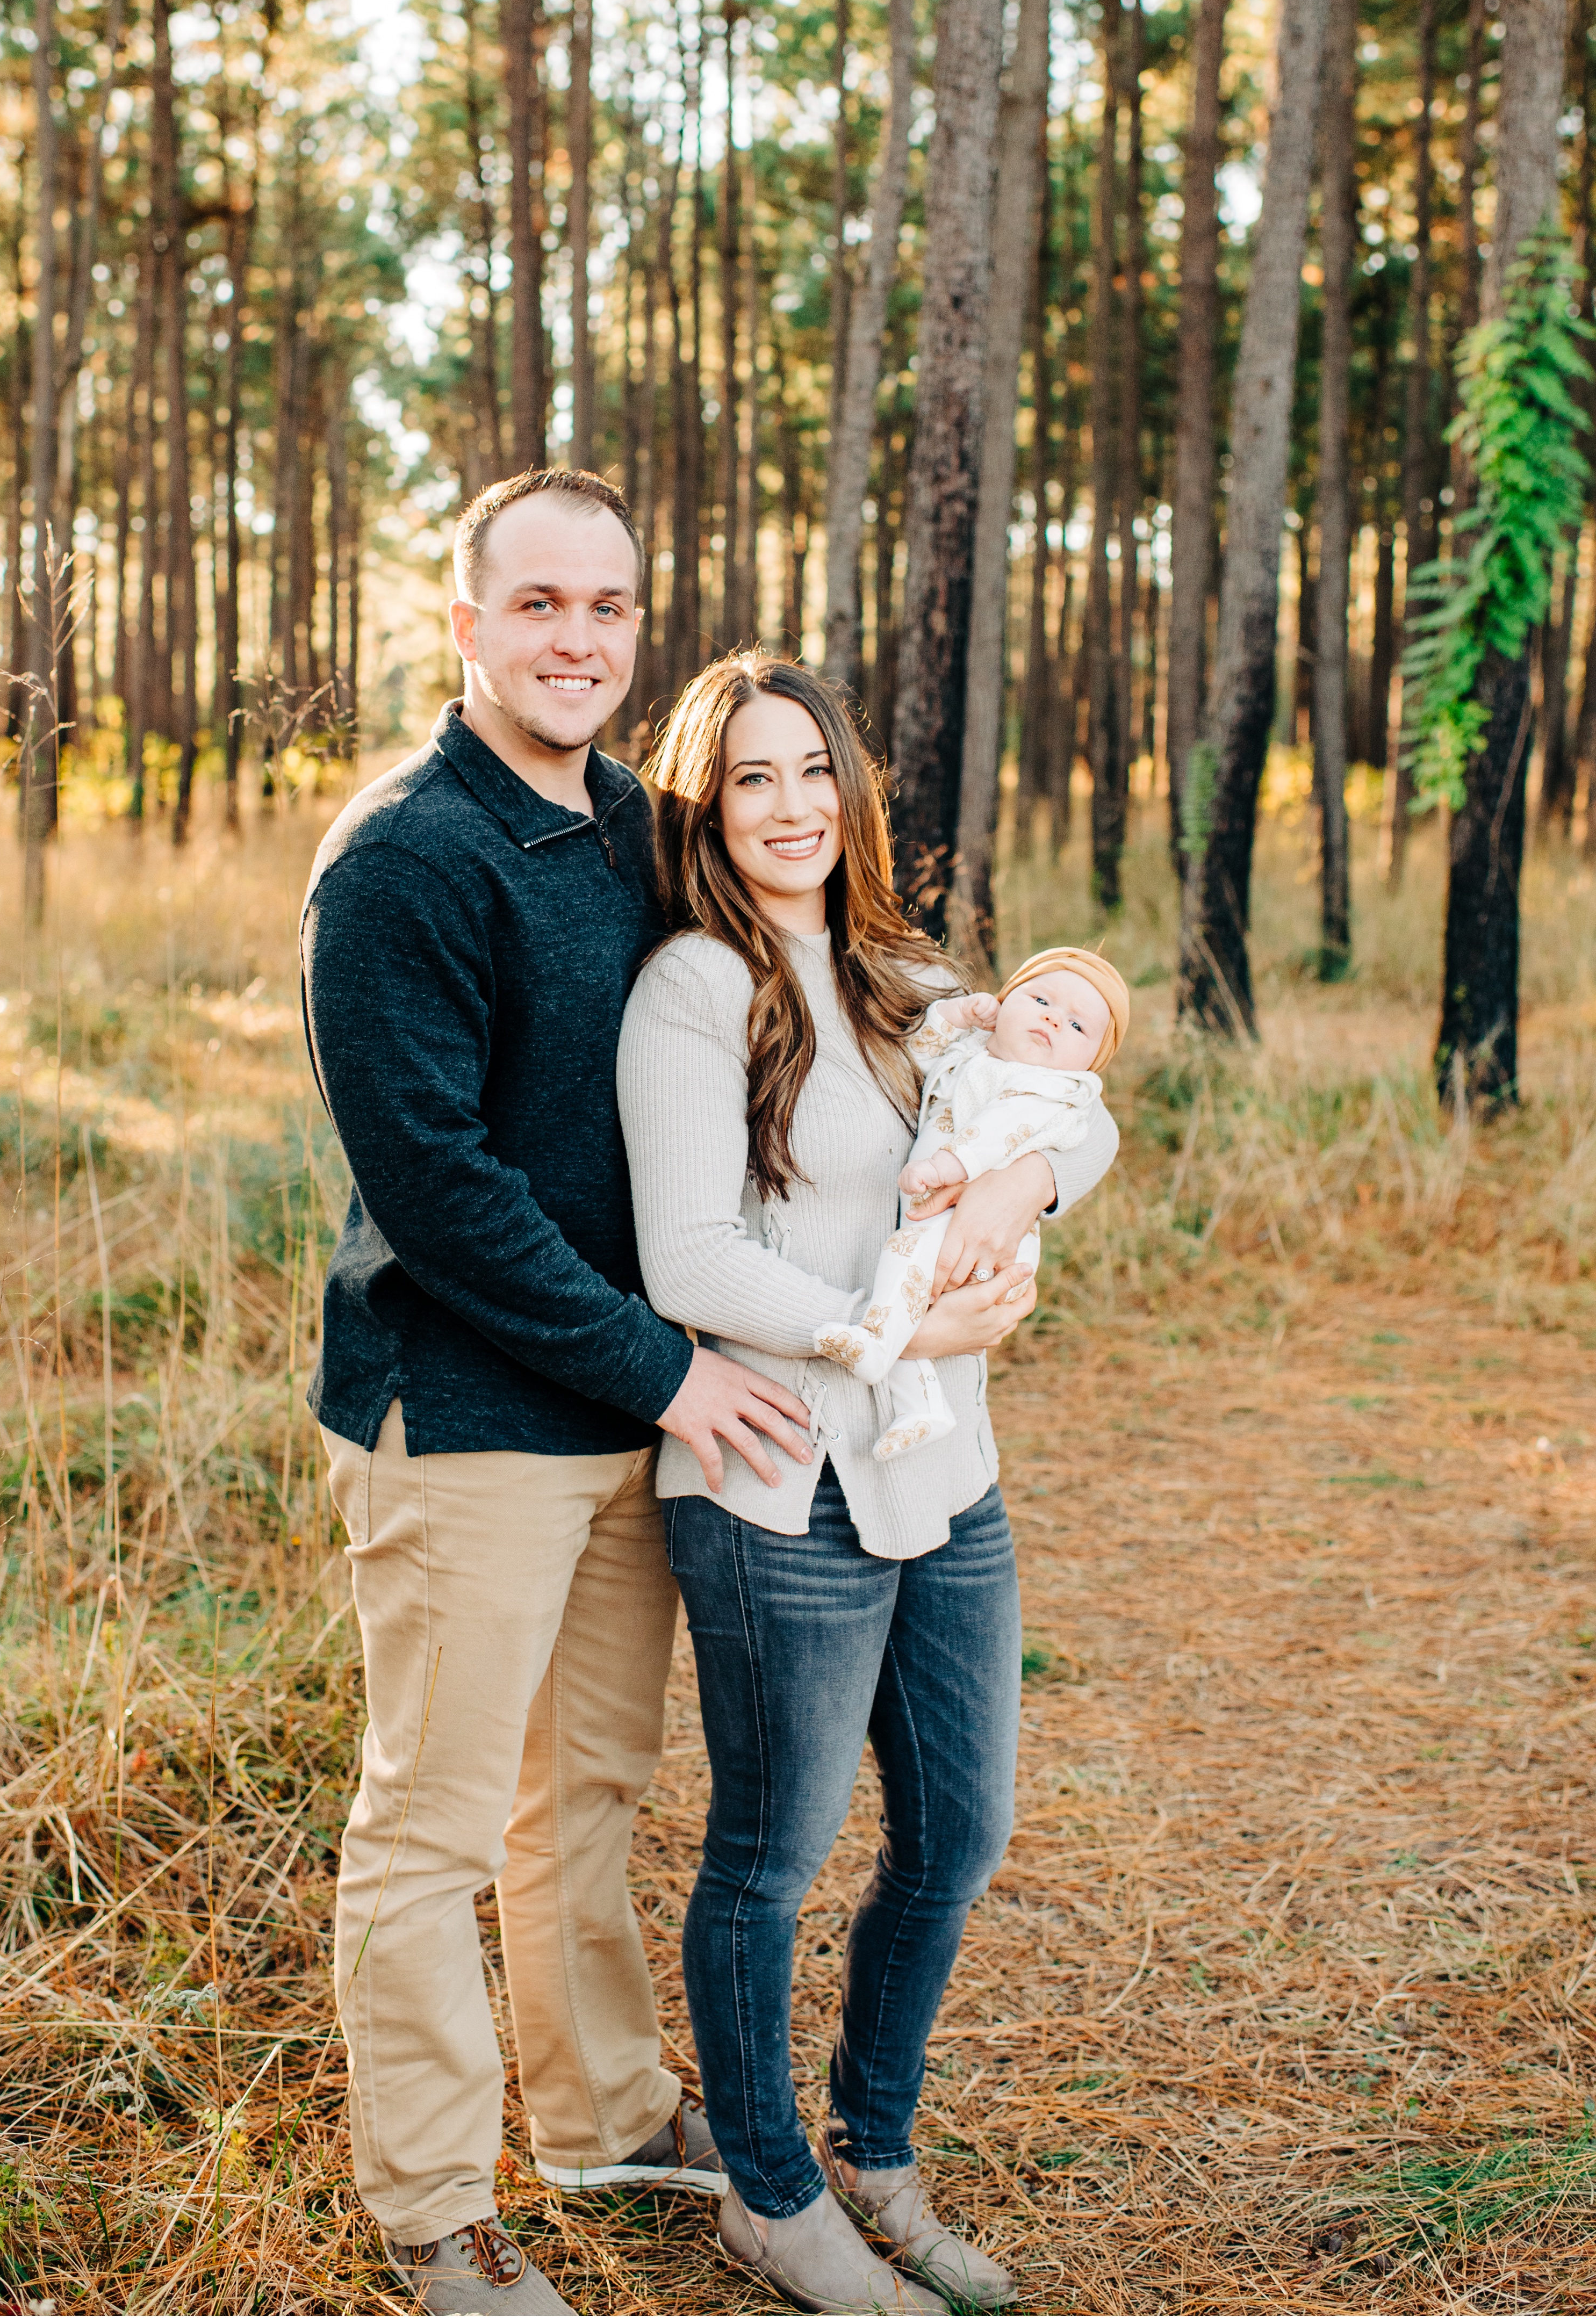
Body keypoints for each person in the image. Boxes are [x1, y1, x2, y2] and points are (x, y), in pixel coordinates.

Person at [300, 474, 815, 2317]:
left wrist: (1016, 1103)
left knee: (583, 1787)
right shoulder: (402, 859)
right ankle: (435, 2205)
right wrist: (670, 1367)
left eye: (608, 603)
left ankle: (603, 2108)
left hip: (634, 1406)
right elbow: (439, 1191)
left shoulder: (641, 826)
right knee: (430, 1823)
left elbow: (812, 970)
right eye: (538, 604)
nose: (578, 636)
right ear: (465, 622)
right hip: (472, 1413)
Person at [616, 654, 1119, 2316]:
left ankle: (873, 2150)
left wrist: (1029, 1183)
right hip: (775, 1481)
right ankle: (771, 2192)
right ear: (707, 801)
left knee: (957, 1831)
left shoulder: (907, 973)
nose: (789, 807)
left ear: (852, 789)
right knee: (766, 1856)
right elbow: (687, 1252)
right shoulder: (691, 985)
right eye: (750, 777)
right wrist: (867, 1326)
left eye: (812, 770)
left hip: (942, 1473)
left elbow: (1073, 1087)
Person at [815, 948, 1131, 1461]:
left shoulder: (1050, 1091)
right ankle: (922, 1406)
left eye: (1077, 1026)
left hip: (983, 1240)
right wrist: (953, 1015)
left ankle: (874, 1347)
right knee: (908, 1300)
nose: (1053, 1018)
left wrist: (944, 1169)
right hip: (941, 1222)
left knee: (902, 1263)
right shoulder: (975, 1054)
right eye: (1042, 999)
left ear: (1092, 1063)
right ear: (1004, 1001)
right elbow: (914, 1058)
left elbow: (997, 1135)